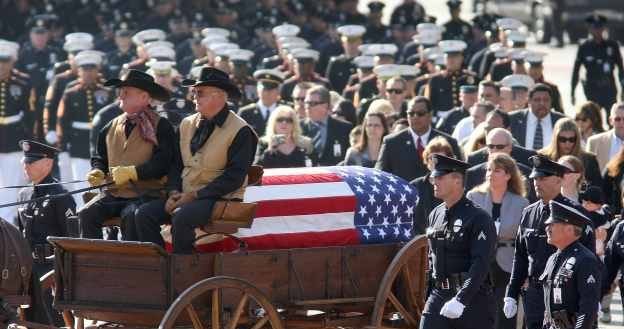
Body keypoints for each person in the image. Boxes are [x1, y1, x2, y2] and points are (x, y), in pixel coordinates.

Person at [132, 66, 257, 253]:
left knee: (182, 217)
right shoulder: (187, 123)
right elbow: (176, 164)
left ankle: (184, 269)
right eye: (193, 92)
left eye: (199, 93)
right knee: (143, 214)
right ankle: (159, 266)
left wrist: (193, 196)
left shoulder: (241, 130)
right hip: (186, 195)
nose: (193, 97)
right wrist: (174, 191)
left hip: (220, 198)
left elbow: (234, 177)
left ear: (218, 96)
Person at [79, 69, 175, 240]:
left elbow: (164, 162)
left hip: (147, 194)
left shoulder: (162, 126)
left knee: (130, 215)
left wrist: (134, 172)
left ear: (144, 97)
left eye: (126, 92)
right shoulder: (109, 126)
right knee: (86, 214)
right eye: (120, 92)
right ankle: (93, 260)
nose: (120, 96)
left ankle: (132, 264)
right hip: (114, 193)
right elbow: (100, 157)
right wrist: (98, 170)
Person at [503, 155, 596, 329]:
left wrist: (591, 297)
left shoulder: (576, 215)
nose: (537, 183)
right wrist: (511, 292)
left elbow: (590, 260)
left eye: (543, 178)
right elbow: (521, 256)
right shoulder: (529, 213)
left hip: (566, 297)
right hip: (535, 296)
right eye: (535, 178)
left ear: (559, 180)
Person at [421, 154, 496, 329]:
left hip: (472, 299)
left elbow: (481, 263)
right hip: (439, 295)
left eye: (439, 177)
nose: (434, 181)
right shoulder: (435, 214)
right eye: (433, 177)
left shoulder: (478, 218)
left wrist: (461, 299)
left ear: (457, 180)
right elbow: (432, 258)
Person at [14, 140, 75, 325]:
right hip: (28, 267)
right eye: (25, 162)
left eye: (31, 162)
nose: (26, 166)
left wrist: (63, 275)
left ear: (48, 163)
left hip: (52, 270)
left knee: (53, 321)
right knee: (28, 319)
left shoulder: (61, 196)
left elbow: (71, 241)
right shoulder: (23, 195)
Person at [467, 153, 528, 329]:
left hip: (507, 262)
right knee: (479, 310)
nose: (490, 174)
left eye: (497, 170)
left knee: (504, 314)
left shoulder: (521, 203)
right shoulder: (473, 197)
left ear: (508, 175)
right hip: (479, 260)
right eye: (488, 169)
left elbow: (523, 240)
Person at [56, 51, 113, 208]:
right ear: (78, 71)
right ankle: (83, 216)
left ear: (97, 71)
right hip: (78, 145)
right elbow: (62, 121)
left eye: (91, 69)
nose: (88, 73)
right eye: (84, 69)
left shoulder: (107, 92)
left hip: (102, 145)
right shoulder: (70, 93)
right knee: (81, 184)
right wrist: (62, 147)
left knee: (103, 185)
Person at [541, 200, 601, 329]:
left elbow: (588, 308)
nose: (547, 228)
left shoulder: (585, 260)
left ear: (569, 229)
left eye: (552, 224)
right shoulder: (553, 258)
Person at [376, 96, 462, 181]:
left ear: (430, 115)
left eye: (420, 113)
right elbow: (380, 175)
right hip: (405, 193)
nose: (415, 117)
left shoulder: (448, 142)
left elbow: (459, 176)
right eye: (411, 113)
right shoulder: (392, 142)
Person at [0, 41, 35, 222]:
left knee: (12, 184)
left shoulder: (22, 83)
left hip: (13, 138)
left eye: (5, 61)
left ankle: (8, 222)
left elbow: (30, 115)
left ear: (12, 61)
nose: (1, 65)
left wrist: (30, 141)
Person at [571, 14, 624, 113]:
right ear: (589, 29)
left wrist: (623, 88)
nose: (597, 31)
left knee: (612, 118)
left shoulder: (612, 46)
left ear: (604, 29)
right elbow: (576, 70)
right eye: (594, 28)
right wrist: (572, 91)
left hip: (609, 88)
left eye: (600, 28)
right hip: (592, 89)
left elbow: (621, 69)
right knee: (593, 121)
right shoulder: (584, 47)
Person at [410, 137, 455, 235]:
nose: (436, 162)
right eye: (432, 158)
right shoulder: (415, 187)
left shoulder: (456, 186)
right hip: (420, 243)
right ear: (426, 161)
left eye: (440, 159)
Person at [538, 118, 602, 187]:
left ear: (577, 139)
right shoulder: (543, 158)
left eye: (571, 139)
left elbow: (597, 189)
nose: (567, 143)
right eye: (563, 139)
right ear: (556, 139)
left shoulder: (589, 160)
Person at [424, 40, 477, 121]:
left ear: (461, 58)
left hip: (467, 118)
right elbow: (430, 104)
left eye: (455, 56)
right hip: (442, 120)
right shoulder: (435, 79)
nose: (451, 60)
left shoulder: (470, 78)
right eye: (448, 56)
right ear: (444, 58)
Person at [301, 85, 352, 166]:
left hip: (334, 176)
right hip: (306, 176)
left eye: (312, 103)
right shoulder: (298, 128)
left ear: (325, 105)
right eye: (306, 103)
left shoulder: (344, 128)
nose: (307, 107)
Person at [509, 83, 565, 150]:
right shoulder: (513, 119)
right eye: (537, 100)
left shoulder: (561, 121)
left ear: (551, 101)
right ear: (529, 101)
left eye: (546, 100)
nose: (542, 103)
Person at [238, 68, 285, 136]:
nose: (267, 93)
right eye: (264, 89)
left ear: (278, 91)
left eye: (271, 90)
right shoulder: (245, 113)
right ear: (258, 90)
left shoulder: (284, 112)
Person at [586, 102, 624, 172]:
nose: (622, 123)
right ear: (610, 121)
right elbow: (588, 173)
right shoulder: (594, 142)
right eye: (617, 119)